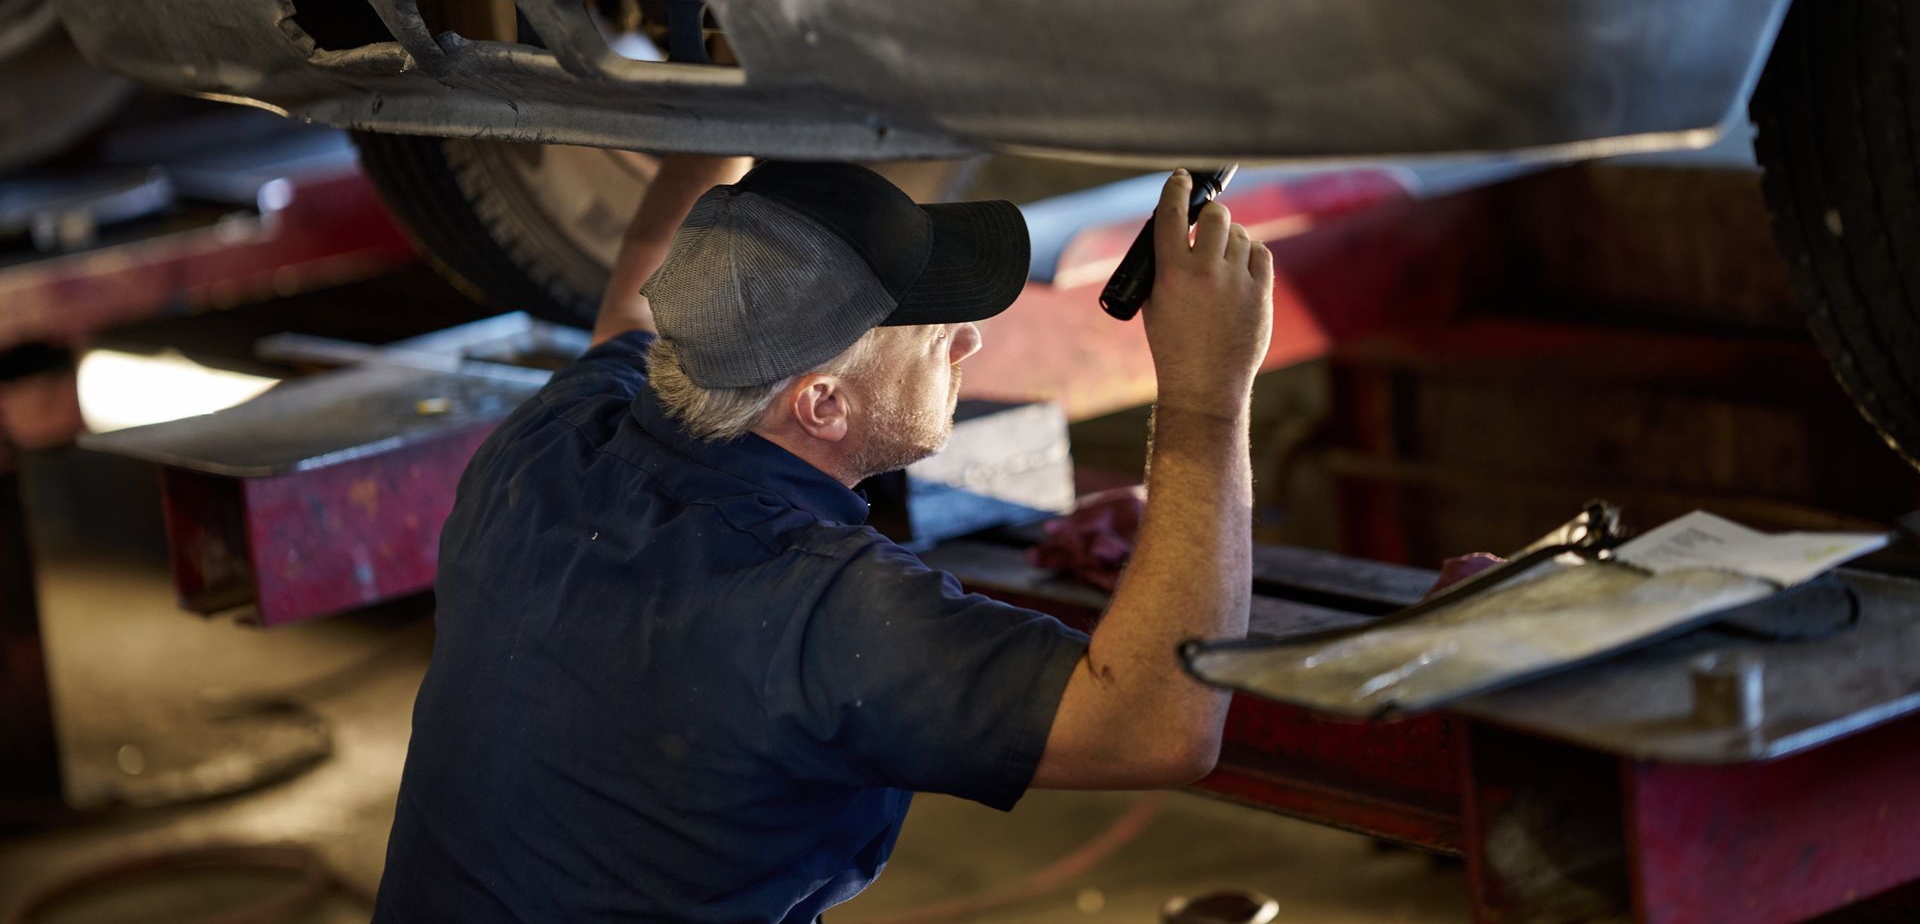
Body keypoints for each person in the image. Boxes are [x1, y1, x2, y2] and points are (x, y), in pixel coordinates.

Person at [372, 156, 1274, 923]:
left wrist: (713, 95)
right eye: (933, 334)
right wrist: (1207, 392)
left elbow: (638, 311)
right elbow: (1159, 727)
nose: (968, 342)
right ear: (823, 404)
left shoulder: (552, 441)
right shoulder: (818, 611)